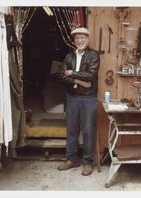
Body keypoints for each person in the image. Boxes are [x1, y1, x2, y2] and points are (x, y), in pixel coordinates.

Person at [57, 27, 100, 176]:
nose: (80, 40)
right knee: (72, 130)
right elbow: (61, 75)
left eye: (83, 38)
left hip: (88, 98)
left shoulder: (93, 55)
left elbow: (91, 74)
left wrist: (72, 72)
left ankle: (87, 162)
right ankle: (72, 159)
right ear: (74, 41)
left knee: (88, 131)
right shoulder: (68, 57)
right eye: (77, 38)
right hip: (72, 97)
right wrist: (76, 80)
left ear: (87, 39)